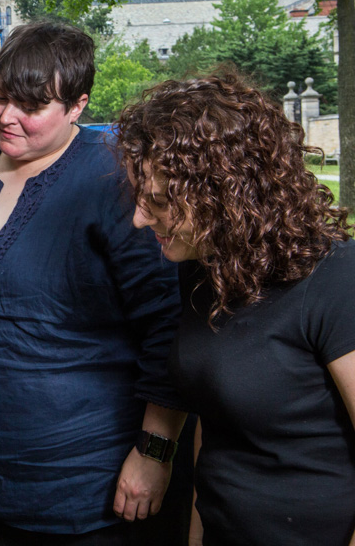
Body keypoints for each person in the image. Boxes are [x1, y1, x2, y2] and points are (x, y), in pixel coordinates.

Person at [0, 20, 191, 544]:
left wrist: (154, 452)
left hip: (88, 490)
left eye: (31, 107)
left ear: (77, 106)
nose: (8, 117)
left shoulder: (114, 180)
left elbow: (167, 329)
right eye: (0, 96)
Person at [117, 73, 355, 546]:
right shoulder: (204, 267)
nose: (139, 219)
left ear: (223, 194)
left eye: (159, 202)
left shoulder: (336, 280)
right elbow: (218, 418)